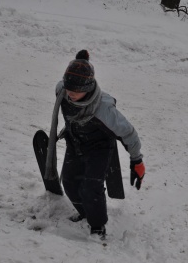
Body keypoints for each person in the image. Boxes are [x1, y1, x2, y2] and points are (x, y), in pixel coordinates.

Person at [55, 50, 145, 237]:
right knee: (69, 183)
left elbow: (128, 132)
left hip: (99, 148)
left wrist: (137, 160)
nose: (70, 93)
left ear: (88, 88)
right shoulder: (61, 91)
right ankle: (85, 213)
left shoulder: (103, 108)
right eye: (69, 87)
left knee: (91, 188)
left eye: (76, 90)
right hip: (75, 143)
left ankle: (97, 225)